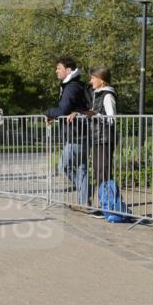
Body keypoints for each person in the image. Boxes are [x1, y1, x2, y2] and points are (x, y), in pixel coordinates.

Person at [69, 66, 116, 217]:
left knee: (103, 172)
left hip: (105, 138)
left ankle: (109, 207)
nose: (90, 81)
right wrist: (80, 113)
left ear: (101, 80)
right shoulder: (97, 94)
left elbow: (112, 118)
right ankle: (105, 205)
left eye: (93, 78)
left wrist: (95, 115)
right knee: (98, 172)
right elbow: (93, 113)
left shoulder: (107, 96)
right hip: (96, 138)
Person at [45, 56, 90, 207]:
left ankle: (86, 192)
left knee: (63, 167)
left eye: (59, 68)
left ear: (68, 70)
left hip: (76, 134)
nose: (56, 71)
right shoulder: (76, 85)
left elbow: (63, 110)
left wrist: (48, 112)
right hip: (81, 132)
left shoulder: (71, 87)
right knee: (82, 168)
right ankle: (84, 202)